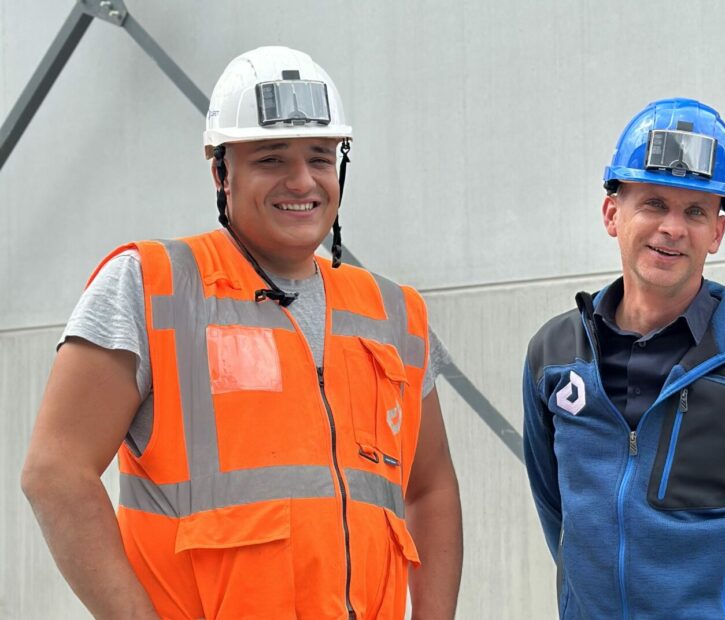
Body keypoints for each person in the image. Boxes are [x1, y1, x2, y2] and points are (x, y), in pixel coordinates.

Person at [21, 46, 462, 620]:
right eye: (272, 159)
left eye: (320, 157)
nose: (302, 181)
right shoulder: (152, 286)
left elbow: (431, 489)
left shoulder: (394, 313)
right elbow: (55, 473)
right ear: (221, 172)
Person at [522, 97, 725, 619]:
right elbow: (559, 515)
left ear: (717, 232)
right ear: (612, 214)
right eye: (653, 203)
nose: (673, 227)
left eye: (696, 211)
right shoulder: (554, 357)